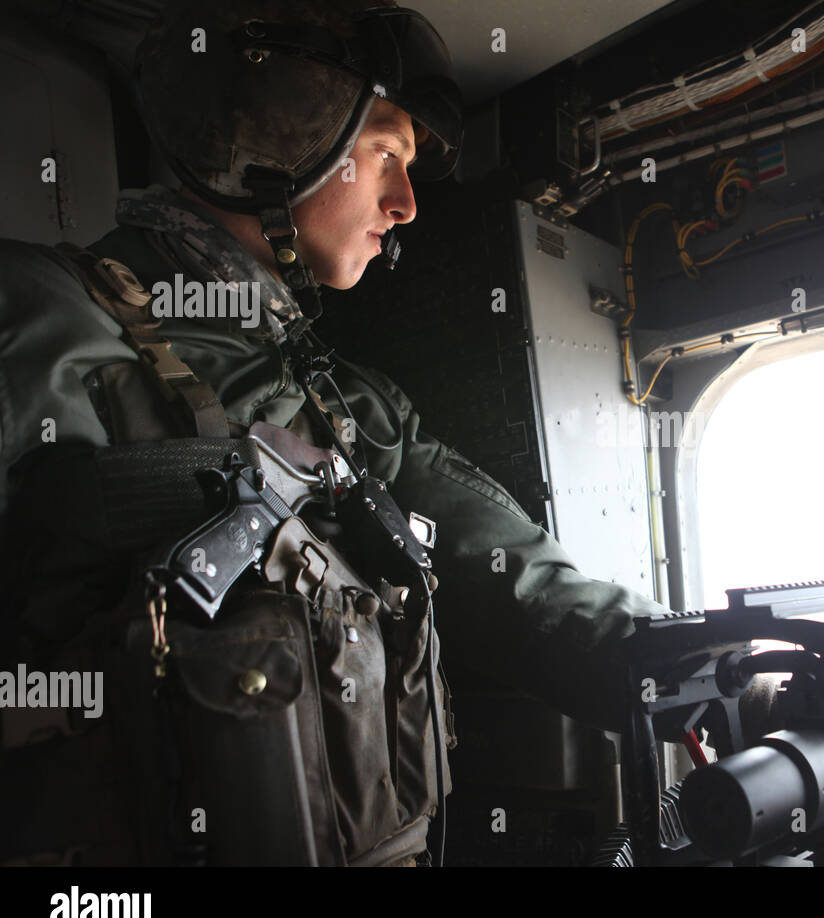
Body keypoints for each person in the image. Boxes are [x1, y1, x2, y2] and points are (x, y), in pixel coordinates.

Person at [0, 0, 669, 866]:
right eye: (386, 152)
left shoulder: (344, 401)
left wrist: (673, 664)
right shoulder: (40, 315)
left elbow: (501, 567)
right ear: (276, 138)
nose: (406, 204)